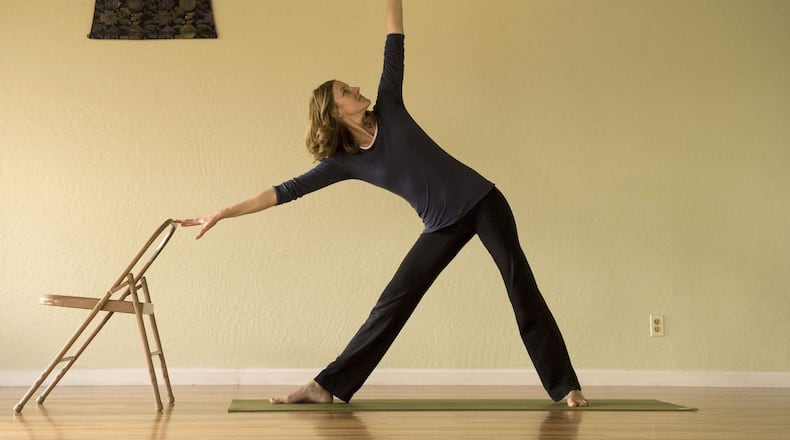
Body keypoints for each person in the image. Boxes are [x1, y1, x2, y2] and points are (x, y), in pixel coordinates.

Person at [177, 0, 589, 407]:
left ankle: (564, 385)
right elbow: (284, 191)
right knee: (392, 304)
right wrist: (224, 212)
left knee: (520, 287)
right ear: (334, 111)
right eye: (345, 91)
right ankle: (325, 385)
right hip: (440, 225)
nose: (356, 89)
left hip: (483, 201)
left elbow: (395, 38)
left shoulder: (390, 106)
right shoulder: (345, 163)